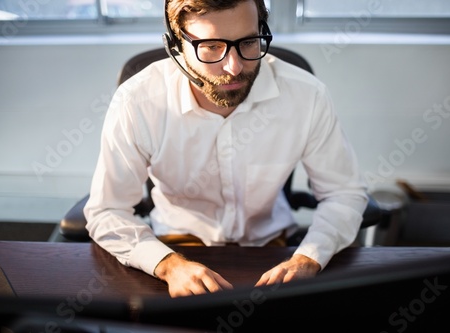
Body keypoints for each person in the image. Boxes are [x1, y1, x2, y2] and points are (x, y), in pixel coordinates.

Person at [84, 0, 368, 298]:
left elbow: (344, 194)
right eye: (210, 47)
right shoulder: (137, 102)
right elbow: (106, 211)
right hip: (174, 245)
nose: (233, 67)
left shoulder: (307, 96)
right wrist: (167, 265)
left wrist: (309, 257)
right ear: (176, 44)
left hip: (271, 249)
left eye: (248, 42)